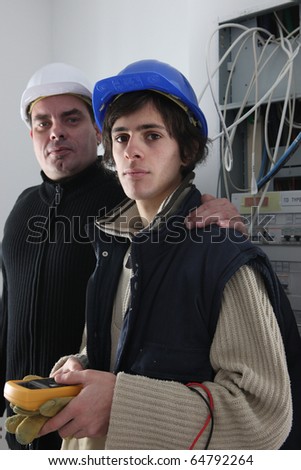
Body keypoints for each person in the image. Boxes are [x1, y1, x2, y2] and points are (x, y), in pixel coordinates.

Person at [38, 60, 301, 450]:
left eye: (152, 135)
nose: (132, 151)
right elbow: (110, 350)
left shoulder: (222, 255)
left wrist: (120, 404)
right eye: (122, 137)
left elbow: (262, 413)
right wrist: (78, 366)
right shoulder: (113, 246)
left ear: (186, 150)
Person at [0, 62, 244, 450]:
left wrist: (221, 212)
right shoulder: (21, 208)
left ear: (96, 133)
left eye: (71, 118)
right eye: (43, 122)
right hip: (27, 413)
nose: (56, 131)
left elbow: (177, 213)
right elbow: (10, 305)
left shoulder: (127, 197)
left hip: (104, 424)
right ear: (31, 133)